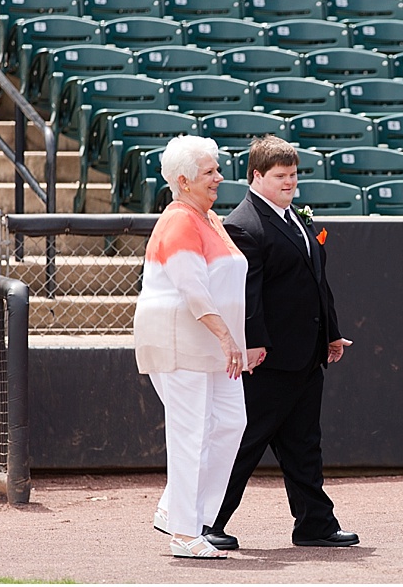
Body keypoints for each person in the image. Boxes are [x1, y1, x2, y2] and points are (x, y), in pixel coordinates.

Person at [203, 134, 357, 550]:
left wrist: (331, 333)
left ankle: (315, 524)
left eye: (293, 175)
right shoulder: (244, 224)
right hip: (269, 361)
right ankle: (206, 522)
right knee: (245, 442)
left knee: (304, 444)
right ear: (256, 176)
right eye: (280, 176)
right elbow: (247, 294)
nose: (290, 183)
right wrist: (253, 344)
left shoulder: (297, 219)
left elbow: (316, 282)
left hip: (305, 356)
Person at [133, 135, 249, 560]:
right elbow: (194, 288)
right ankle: (185, 532)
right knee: (190, 433)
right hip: (180, 341)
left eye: (217, 169)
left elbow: (226, 286)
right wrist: (226, 337)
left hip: (216, 345)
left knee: (231, 422)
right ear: (183, 181)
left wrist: (238, 342)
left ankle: (178, 510)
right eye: (210, 172)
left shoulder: (210, 218)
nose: (219, 177)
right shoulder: (180, 220)